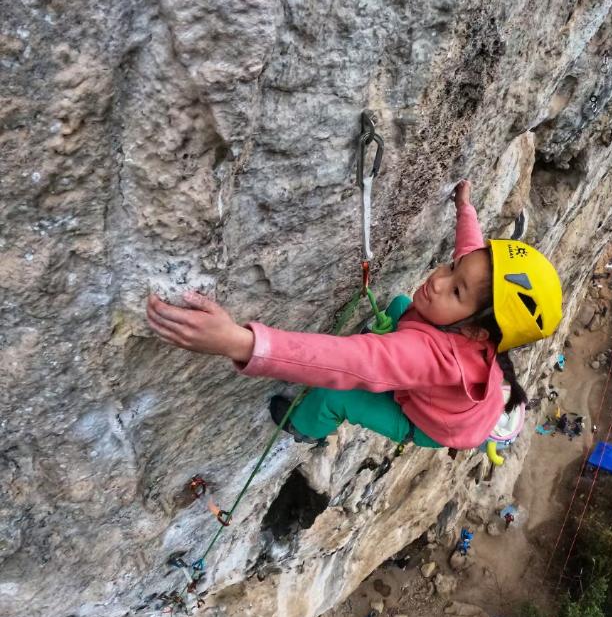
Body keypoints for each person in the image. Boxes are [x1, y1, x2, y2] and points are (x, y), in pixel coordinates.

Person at [146, 181, 563, 452]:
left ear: (474, 327)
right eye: (452, 269)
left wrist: (238, 341)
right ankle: (392, 358)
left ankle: (304, 428)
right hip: (454, 395)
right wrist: (464, 210)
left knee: (337, 396)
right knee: (403, 305)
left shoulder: (430, 354)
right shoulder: (475, 315)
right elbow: (469, 259)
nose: (438, 280)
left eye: (454, 289)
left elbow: (347, 363)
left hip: (435, 426)